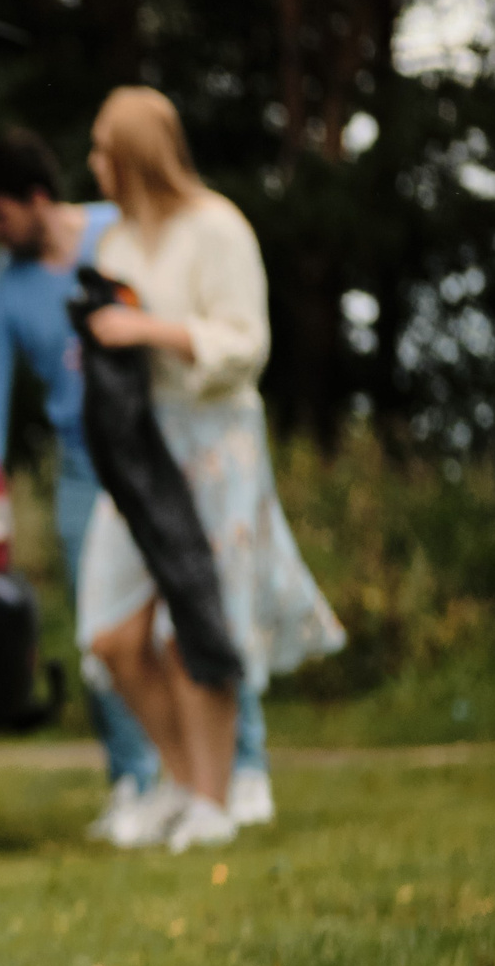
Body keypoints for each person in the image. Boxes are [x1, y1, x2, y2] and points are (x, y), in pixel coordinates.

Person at [0, 129, 275, 841]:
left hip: (165, 449)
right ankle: (138, 780)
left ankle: (240, 770)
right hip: (84, 466)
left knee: (199, 608)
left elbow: (206, 330)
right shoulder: (1, 289)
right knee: (104, 632)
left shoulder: (119, 233)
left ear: (37, 200)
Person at [72, 90, 344, 852]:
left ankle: (213, 801)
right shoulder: (118, 242)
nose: (93, 163)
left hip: (216, 444)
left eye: (102, 148)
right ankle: (181, 780)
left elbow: (246, 344)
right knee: (111, 632)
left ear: (133, 156)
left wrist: (147, 329)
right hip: (141, 448)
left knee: (194, 621)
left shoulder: (218, 228)